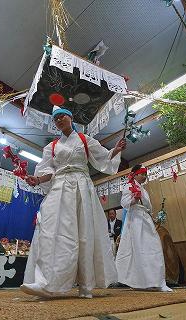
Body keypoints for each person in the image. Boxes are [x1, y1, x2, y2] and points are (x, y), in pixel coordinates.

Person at [20, 106, 126, 299]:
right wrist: (37, 180)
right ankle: (47, 281)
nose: (59, 120)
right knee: (51, 231)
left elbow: (103, 158)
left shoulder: (85, 140)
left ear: (70, 118)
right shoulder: (50, 147)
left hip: (82, 186)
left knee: (85, 233)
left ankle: (86, 285)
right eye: (56, 119)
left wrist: (116, 150)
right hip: (59, 187)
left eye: (62, 116)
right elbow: (47, 172)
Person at [115, 164, 171, 291]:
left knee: (153, 248)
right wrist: (134, 200)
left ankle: (156, 281)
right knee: (141, 250)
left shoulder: (143, 190)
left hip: (145, 218)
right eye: (142, 174)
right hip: (135, 220)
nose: (145, 176)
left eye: (146, 174)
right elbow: (124, 203)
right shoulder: (129, 186)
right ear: (135, 174)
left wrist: (154, 218)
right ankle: (142, 282)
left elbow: (148, 208)